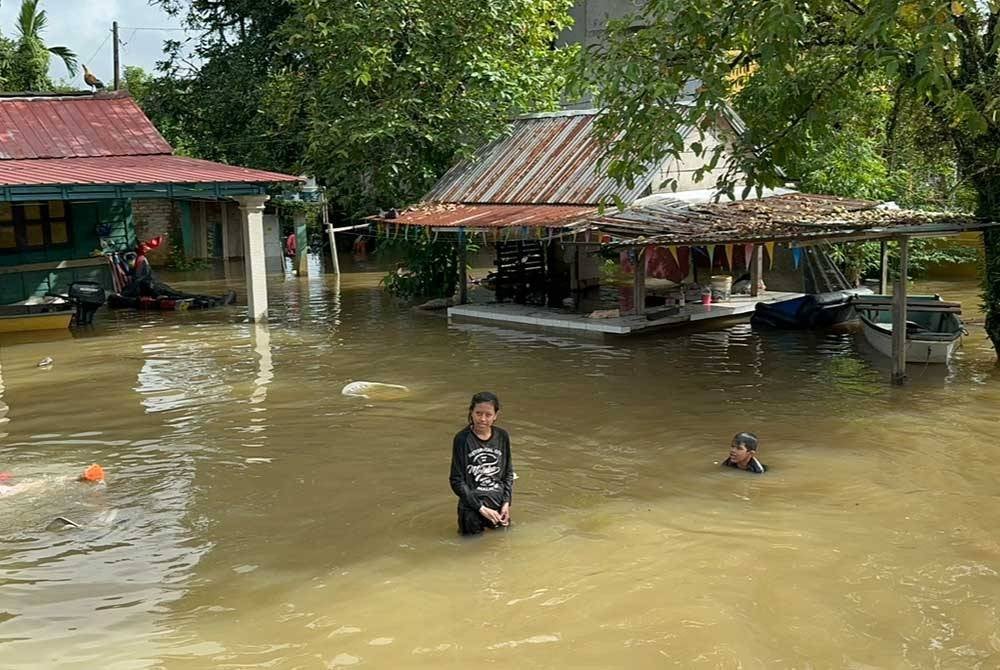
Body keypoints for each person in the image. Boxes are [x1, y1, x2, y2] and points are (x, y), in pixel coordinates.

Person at [449, 391, 514, 535]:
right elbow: (456, 481)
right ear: (471, 412)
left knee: (504, 546)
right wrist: (481, 508)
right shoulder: (462, 439)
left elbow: (508, 474)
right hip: (472, 510)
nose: (483, 419)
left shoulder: (502, 436)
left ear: (496, 415)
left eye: (488, 414)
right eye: (478, 413)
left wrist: (506, 503)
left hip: (499, 508)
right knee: (471, 550)